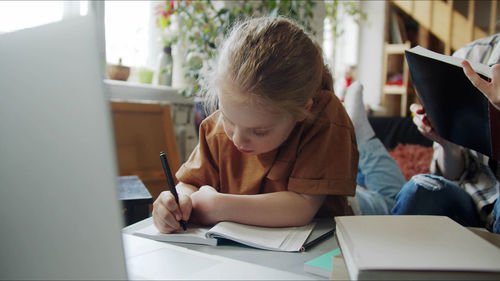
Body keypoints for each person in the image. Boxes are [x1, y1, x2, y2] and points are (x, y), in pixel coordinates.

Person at [152, 16, 359, 233]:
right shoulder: (216, 130)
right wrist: (177, 201)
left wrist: (217, 205)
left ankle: (367, 140)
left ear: (302, 111)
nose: (238, 139)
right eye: (228, 118)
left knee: (382, 195)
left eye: (260, 131)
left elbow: (302, 206)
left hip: (318, 245)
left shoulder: (323, 118)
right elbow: (190, 184)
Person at [392, 34, 500, 233]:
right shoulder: (469, 56)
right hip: (474, 201)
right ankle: (384, 263)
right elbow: (454, 174)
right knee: (418, 189)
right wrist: (446, 143)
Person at [343, 81, 406, 215]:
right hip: (333, 202)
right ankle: (362, 137)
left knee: (362, 179)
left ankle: (361, 137)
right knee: (397, 203)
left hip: (333, 199)